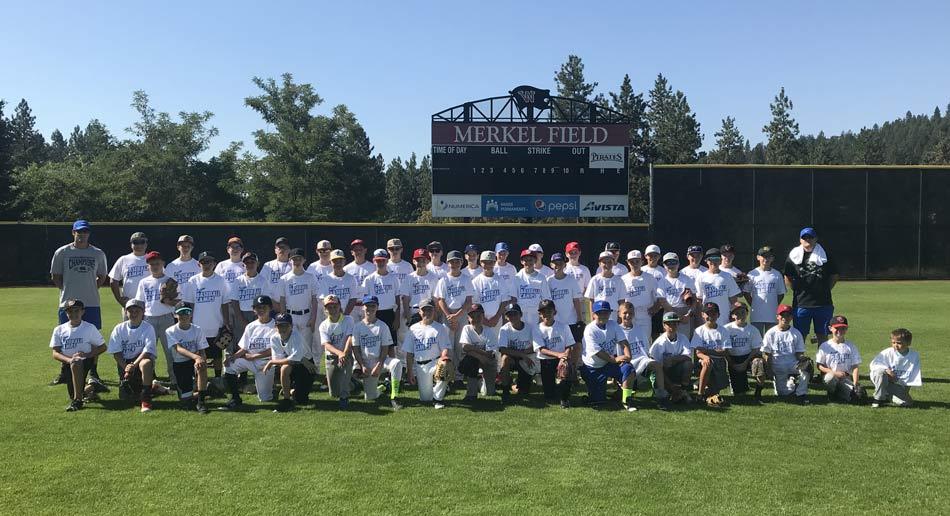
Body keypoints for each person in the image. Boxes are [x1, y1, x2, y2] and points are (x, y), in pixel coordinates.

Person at [50, 220, 108, 389]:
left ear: (88, 233)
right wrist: (67, 291)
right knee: (65, 337)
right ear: (73, 233)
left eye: (85, 232)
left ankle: (93, 372)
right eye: (79, 232)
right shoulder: (62, 252)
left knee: (93, 337)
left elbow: (102, 276)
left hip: (91, 303)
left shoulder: (97, 253)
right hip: (67, 302)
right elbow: (56, 276)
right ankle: (65, 370)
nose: (82, 235)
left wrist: (89, 289)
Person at [783, 227, 839, 346]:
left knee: (823, 336)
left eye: (810, 237)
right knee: (799, 336)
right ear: (800, 240)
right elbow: (787, 276)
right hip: (801, 303)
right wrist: (796, 289)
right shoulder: (793, 256)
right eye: (804, 237)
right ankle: (801, 363)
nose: (807, 239)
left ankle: (822, 363)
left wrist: (825, 289)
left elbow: (834, 275)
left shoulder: (825, 255)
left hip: (823, 303)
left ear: (816, 239)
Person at [49, 299, 107, 411]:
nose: (73, 314)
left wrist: (88, 354)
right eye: (70, 311)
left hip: (85, 361)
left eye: (77, 311)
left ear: (82, 312)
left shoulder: (89, 328)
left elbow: (103, 347)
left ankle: (77, 401)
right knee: (75, 391)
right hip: (67, 363)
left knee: (77, 363)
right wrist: (69, 360)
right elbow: (55, 353)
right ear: (66, 313)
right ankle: (92, 386)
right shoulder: (59, 330)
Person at [579, 301, 637, 411]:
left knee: (628, 368)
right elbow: (598, 352)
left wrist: (628, 356)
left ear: (610, 314)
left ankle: (626, 400)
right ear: (594, 315)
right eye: (599, 313)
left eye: (605, 313)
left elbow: (623, 341)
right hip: (593, 368)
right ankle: (595, 395)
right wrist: (614, 359)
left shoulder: (613, 324)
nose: (603, 315)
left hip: (609, 364)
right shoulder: (589, 330)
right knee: (598, 400)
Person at [221, 295, 277, 410]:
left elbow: (277, 349)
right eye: (258, 307)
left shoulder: (276, 325)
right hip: (250, 360)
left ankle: (272, 389)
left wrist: (256, 355)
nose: (261, 310)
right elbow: (245, 347)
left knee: (265, 398)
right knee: (229, 366)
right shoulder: (251, 326)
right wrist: (233, 357)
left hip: (266, 364)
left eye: (264, 307)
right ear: (254, 310)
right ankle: (235, 398)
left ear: (270, 308)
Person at [183, 252, 230, 380]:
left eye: (209, 261)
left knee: (217, 354)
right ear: (199, 264)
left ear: (214, 263)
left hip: (216, 324)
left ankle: (217, 378)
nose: (206, 264)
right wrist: (189, 323)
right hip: (198, 325)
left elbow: (224, 303)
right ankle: (199, 378)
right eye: (203, 262)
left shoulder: (221, 281)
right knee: (199, 353)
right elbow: (189, 304)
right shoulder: (193, 281)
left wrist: (226, 322)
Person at [134, 251, 178, 386]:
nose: (155, 266)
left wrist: (166, 299)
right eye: (152, 264)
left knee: (170, 351)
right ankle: (147, 380)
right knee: (148, 350)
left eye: (157, 263)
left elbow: (177, 302)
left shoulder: (170, 281)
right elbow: (140, 303)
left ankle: (175, 380)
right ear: (148, 266)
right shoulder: (144, 282)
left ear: (163, 264)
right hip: (149, 319)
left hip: (167, 319)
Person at [352, 295, 403, 409]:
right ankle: (383, 387)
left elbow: (385, 348)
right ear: (362, 308)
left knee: (396, 363)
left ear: (377, 307)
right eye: (367, 306)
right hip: (366, 363)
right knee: (370, 397)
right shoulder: (357, 327)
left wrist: (379, 365)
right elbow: (355, 349)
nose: (370, 308)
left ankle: (394, 396)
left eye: (373, 306)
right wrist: (362, 365)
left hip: (381, 360)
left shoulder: (382, 325)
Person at [107, 299, 158, 413]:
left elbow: (148, 351)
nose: (134, 314)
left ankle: (146, 400)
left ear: (143, 312)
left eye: (137, 311)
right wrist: (125, 366)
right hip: (124, 363)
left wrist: (133, 365)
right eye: (131, 311)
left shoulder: (148, 327)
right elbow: (116, 352)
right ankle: (154, 387)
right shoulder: (119, 328)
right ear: (126, 312)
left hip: (140, 361)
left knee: (147, 363)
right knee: (126, 396)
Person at [617, 301, 670, 409]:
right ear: (619, 313)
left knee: (657, 365)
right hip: (625, 362)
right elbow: (615, 353)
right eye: (625, 313)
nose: (628, 316)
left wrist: (649, 357)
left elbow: (645, 349)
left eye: (631, 313)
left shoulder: (639, 329)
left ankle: (661, 397)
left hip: (642, 360)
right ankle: (627, 400)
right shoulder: (616, 330)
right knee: (628, 369)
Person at [402, 299, 452, 409]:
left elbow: (445, 348)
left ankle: (438, 399)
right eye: (424, 310)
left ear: (434, 311)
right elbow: (409, 353)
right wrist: (409, 371)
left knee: (445, 366)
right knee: (425, 399)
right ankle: (438, 391)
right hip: (420, 366)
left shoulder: (440, 328)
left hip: (435, 362)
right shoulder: (413, 329)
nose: (427, 312)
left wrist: (443, 359)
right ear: (419, 311)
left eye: (430, 309)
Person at [264, 312, 316, 412]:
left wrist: (270, 362)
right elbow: (278, 360)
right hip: (299, 362)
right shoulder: (274, 338)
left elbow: (293, 358)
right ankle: (286, 400)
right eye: (280, 326)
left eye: (285, 326)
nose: (283, 329)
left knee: (302, 400)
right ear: (275, 327)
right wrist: (301, 359)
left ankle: (290, 390)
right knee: (284, 368)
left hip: (306, 366)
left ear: (291, 326)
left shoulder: (296, 336)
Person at [760, 304, 811, 404]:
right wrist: (769, 369)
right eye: (782, 315)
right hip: (777, 365)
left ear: (791, 317)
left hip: (792, 364)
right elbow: (766, 353)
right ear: (777, 316)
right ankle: (791, 381)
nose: (785, 318)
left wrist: (804, 360)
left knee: (807, 366)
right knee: (782, 394)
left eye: (788, 315)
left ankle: (801, 393)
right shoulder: (771, 333)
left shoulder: (796, 333)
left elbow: (799, 353)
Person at [164, 303, 209, 413]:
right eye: (181, 313)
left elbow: (202, 350)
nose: (184, 316)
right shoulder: (170, 331)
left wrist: (200, 360)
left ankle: (201, 402)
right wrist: (196, 357)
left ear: (191, 314)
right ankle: (207, 389)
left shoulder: (197, 329)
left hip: (194, 361)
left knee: (202, 366)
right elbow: (178, 348)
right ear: (175, 315)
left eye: (187, 312)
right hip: (180, 363)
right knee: (185, 400)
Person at [533, 299, 576, 408]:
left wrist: (564, 356)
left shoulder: (564, 326)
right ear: (539, 314)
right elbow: (541, 349)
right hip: (546, 360)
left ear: (555, 312)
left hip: (561, 359)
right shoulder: (537, 328)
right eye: (543, 311)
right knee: (549, 396)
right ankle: (557, 388)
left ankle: (565, 399)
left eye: (549, 311)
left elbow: (570, 345)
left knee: (566, 367)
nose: (546, 314)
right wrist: (558, 355)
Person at [277, 248, 320, 357]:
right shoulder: (284, 279)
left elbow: (314, 299)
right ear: (289, 261)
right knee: (291, 345)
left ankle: (306, 372)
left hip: (306, 315)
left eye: (299, 258)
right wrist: (284, 318)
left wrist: (313, 317)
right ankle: (293, 372)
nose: (296, 261)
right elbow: (282, 300)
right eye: (294, 259)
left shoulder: (311, 277)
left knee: (306, 347)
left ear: (304, 260)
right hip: (291, 316)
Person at [434, 250, 474, 363]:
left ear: (461, 262)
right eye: (452, 262)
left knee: (460, 344)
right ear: (448, 263)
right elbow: (440, 300)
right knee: (448, 344)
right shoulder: (443, 280)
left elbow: (469, 300)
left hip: (462, 313)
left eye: (457, 261)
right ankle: (449, 372)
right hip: (448, 315)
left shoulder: (466, 279)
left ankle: (459, 375)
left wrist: (457, 315)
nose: (455, 264)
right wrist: (450, 316)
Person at [689, 303, 732, 408]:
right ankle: (700, 394)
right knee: (707, 363)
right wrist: (706, 355)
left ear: (718, 315)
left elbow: (725, 352)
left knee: (714, 392)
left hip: (719, 363)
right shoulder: (699, 331)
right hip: (704, 362)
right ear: (703, 315)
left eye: (713, 313)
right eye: (708, 314)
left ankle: (701, 385)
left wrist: (706, 350)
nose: (710, 316)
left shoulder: (723, 330)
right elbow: (698, 352)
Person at [815, 315, 864, 403]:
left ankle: (840, 392)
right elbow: (819, 366)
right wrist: (834, 373)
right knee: (830, 378)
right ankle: (831, 393)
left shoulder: (851, 346)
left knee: (856, 397)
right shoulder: (825, 345)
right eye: (837, 328)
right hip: (831, 376)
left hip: (846, 378)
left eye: (843, 328)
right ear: (830, 328)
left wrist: (856, 383)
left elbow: (855, 366)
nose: (840, 331)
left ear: (846, 329)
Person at [362, 249, 404, 350]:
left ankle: (391, 365)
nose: (380, 263)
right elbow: (365, 301)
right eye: (378, 260)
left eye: (383, 260)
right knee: (376, 345)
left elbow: (397, 300)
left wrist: (397, 318)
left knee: (390, 347)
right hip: (374, 314)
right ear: (373, 261)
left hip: (390, 314)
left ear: (387, 261)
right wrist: (366, 319)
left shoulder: (394, 278)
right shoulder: (369, 279)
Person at [869, 328, 921, 408]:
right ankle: (878, 399)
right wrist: (886, 370)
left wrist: (905, 393)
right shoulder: (887, 352)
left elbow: (913, 375)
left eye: (899, 343)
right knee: (880, 372)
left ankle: (887, 395)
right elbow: (874, 364)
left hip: (898, 383)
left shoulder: (914, 355)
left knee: (908, 403)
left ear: (908, 343)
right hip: (883, 379)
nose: (895, 345)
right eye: (893, 342)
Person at [496, 302, 538, 403]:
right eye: (510, 314)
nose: (513, 316)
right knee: (505, 358)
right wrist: (522, 354)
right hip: (513, 358)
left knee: (523, 392)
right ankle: (505, 390)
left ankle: (513, 384)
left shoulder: (530, 328)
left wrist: (524, 354)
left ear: (521, 315)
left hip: (526, 359)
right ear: (506, 317)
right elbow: (503, 349)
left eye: (515, 314)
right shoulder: (504, 329)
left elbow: (536, 346)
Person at [649, 312, 694, 404]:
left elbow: (688, 357)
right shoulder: (659, 343)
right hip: (661, 375)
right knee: (663, 396)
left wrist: (673, 359)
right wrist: (671, 386)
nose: (672, 326)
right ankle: (674, 392)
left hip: (676, 370)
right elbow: (656, 368)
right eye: (669, 324)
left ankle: (683, 390)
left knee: (688, 364)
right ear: (664, 325)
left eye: (674, 323)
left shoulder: (683, 338)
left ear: (678, 324)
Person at [319, 294, 355, 409]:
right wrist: (339, 354)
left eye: (335, 306)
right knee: (334, 393)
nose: (332, 309)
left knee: (345, 363)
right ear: (325, 309)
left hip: (346, 353)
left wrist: (344, 353)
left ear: (339, 306)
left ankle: (345, 397)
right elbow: (326, 344)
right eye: (329, 307)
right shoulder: (323, 325)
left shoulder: (349, 319)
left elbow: (350, 337)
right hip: (332, 358)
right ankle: (353, 384)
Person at [229, 252, 272, 347]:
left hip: (258, 315)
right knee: (241, 343)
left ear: (258, 263)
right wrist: (241, 319)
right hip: (241, 314)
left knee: (257, 342)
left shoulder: (263, 281)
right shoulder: (238, 281)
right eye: (247, 262)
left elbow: (266, 301)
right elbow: (234, 302)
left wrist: (260, 318)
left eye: (252, 262)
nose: (250, 264)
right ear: (243, 265)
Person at [458, 303, 499, 401]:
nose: (475, 319)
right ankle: (471, 393)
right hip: (475, 359)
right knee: (470, 361)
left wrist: (475, 351)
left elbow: (490, 355)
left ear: (483, 316)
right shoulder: (466, 329)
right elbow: (465, 347)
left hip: (489, 361)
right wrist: (481, 355)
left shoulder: (489, 331)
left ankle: (481, 381)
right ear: (468, 318)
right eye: (472, 316)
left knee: (490, 393)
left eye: (479, 316)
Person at [724, 304, 765, 401]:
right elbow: (724, 349)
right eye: (737, 313)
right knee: (739, 394)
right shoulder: (726, 329)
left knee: (758, 363)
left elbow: (755, 350)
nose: (740, 315)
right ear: (733, 316)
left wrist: (745, 363)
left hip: (749, 357)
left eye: (743, 312)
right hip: (732, 358)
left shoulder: (753, 330)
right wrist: (732, 363)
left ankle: (758, 390)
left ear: (747, 313)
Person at [744, 246, 786, 335]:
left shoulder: (777, 274)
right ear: (758, 257)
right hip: (757, 315)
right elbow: (746, 292)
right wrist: (753, 303)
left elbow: (781, 293)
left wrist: (773, 304)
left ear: (772, 258)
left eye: (769, 256)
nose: (766, 259)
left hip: (772, 314)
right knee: (757, 340)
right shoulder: (752, 274)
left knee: (771, 341)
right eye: (763, 256)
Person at [694, 248, 741, 327]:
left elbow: (733, 300)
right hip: (707, 320)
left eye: (716, 259)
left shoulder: (727, 276)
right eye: (711, 259)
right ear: (707, 261)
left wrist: (733, 315)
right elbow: (699, 301)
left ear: (720, 260)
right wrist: (700, 318)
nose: (714, 262)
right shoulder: (701, 277)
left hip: (725, 319)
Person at [656, 252, 698, 338]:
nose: (671, 265)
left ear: (678, 264)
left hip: (685, 313)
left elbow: (694, 299)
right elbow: (663, 302)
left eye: (673, 262)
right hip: (669, 312)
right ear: (664, 265)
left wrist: (688, 315)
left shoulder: (687, 279)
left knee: (685, 340)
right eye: (668, 263)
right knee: (669, 339)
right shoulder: (661, 282)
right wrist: (677, 316)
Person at [108, 231, 149, 319]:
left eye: (142, 242)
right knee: (129, 331)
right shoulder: (124, 259)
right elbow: (113, 280)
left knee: (148, 331)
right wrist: (119, 299)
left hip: (148, 305)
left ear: (146, 244)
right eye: (135, 242)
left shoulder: (152, 259)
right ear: (131, 244)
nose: (139, 245)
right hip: (129, 304)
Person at [546, 252, 584, 342]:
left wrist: (579, 318)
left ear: (564, 264)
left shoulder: (571, 280)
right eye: (555, 263)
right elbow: (546, 302)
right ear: (551, 265)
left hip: (571, 320)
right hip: (555, 321)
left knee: (575, 347)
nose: (558, 266)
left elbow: (576, 300)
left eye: (560, 263)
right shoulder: (548, 281)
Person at [471, 250, 509, 339]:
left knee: (497, 348)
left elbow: (504, 302)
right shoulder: (475, 282)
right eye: (485, 262)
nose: (488, 265)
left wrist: (496, 318)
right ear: (480, 262)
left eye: (490, 262)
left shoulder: (500, 280)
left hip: (497, 320)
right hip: (480, 321)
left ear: (494, 262)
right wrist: (484, 320)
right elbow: (474, 304)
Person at [620, 250, 660, 332]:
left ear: (642, 261)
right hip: (628, 315)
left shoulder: (650, 278)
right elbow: (620, 299)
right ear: (627, 262)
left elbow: (659, 295)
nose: (634, 264)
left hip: (645, 315)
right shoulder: (623, 279)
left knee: (645, 341)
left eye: (637, 261)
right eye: (632, 262)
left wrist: (656, 307)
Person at [513, 249, 551, 325]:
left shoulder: (541, 278)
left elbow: (546, 299)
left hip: (537, 316)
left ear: (535, 261)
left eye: (531, 260)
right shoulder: (516, 278)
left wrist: (542, 318)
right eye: (525, 260)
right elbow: (514, 300)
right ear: (521, 261)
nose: (528, 262)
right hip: (521, 316)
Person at [585, 251, 624, 320]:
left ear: (613, 263)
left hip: (613, 314)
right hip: (599, 313)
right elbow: (591, 300)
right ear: (599, 264)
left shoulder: (619, 280)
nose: (607, 265)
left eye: (609, 262)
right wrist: (592, 316)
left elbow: (621, 301)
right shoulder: (594, 280)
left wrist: (620, 316)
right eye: (604, 262)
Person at [320, 249, 359, 316]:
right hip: (331, 316)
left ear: (344, 261)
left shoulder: (351, 278)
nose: (338, 263)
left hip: (348, 316)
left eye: (340, 261)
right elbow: (324, 299)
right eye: (335, 261)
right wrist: (332, 315)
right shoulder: (325, 279)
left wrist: (344, 315)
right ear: (330, 262)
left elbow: (353, 299)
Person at [344, 239, 375, 320]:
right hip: (352, 306)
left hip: (368, 305)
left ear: (365, 250)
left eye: (360, 249)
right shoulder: (346, 269)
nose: (358, 252)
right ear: (352, 252)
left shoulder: (373, 267)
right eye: (355, 250)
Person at [262, 237, 293, 310]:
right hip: (271, 306)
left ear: (289, 250)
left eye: (284, 247)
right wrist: (273, 303)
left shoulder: (294, 265)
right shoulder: (268, 265)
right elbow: (261, 285)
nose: (282, 249)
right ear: (275, 250)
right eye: (279, 247)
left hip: (290, 306)